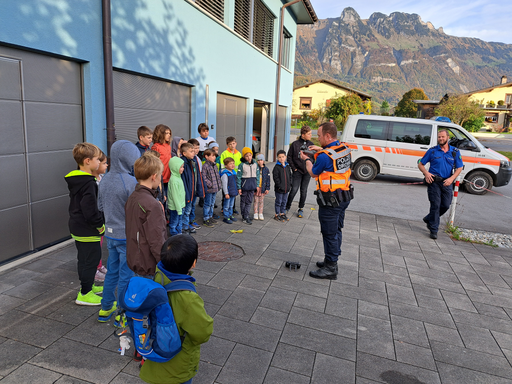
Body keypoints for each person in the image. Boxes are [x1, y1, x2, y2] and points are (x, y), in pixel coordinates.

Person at [139, 235, 213, 384]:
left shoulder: (158, 277)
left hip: (154, 354)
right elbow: (202, 332)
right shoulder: (187, 298)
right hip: (177, 363)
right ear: (193, 263)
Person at [300, 122, 354, 280]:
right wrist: (321, 149)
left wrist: (306, 160)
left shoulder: (324, 157)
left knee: (329, 233)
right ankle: (331, 259)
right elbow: (333, 155)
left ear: (328, 136)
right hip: (344, 196)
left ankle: (331, 268)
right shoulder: (344, 148)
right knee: (336, 230)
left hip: (331, 201)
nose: (317, 138)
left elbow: (313, 173)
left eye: (319, 135)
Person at [97, 140, 139, 322]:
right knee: (126, 275)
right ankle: (122, 314)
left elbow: (100, 206)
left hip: (110, 235)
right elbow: (136, 210)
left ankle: (106, 308)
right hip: (126, 236)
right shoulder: (130, 182)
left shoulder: (104, 179)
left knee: (113, 272)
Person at [65, 143, 105, 305]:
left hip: (77, 226)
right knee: (91, 260)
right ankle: (85, 293)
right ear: (88, 161)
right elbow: (90, 209)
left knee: (83, 259)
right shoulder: (88, 182)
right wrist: (99, 224)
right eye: (97, 159)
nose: (99, 162)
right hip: (88, 229)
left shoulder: (77, 179)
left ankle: (87, 286)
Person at [125, 153, 167, 277]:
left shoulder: (133, 197)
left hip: (136, 258)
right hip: (148, 264)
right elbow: (156, 239)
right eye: (160, 175)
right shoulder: (152, 205)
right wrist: (164, 263)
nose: (161, 178)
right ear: (154, 176)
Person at [418, 129, 463, 239]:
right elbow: (421, 164)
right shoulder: (432, 151)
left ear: (448, 138)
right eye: (439, 137)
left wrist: (452, 179)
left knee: (445, 205)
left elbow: (459, 167)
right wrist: (426, 173)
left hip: (447, 182)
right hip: (433, 182)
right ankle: (433, 229)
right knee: (436, 205)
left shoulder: (455, 152)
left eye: (443, 137)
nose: (441, 139)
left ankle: (429, 218)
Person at [286, 125, 314, 218]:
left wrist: (310, 168)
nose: (311, 135)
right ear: (303, 135)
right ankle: (287, 207)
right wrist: (294, 168)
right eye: (309, 134)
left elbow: (314, 158)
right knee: (294, 190)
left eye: (310, 133)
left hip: (307, 173)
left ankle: (301, 208)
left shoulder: (311, 145)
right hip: (297, 171)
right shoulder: (295, 144)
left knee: (304, 191)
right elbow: (289, 157)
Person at [91, 150, 109, 282]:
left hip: (102, 217)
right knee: (96, 244)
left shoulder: (101, 178)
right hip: (96, 219)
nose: (106, 165)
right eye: (103, 163)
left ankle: (99, 265)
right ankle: (95, 269)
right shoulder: (92, 182)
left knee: (101, 242)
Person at [180, 142, 205, 234]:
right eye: (191, 151)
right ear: (184, 153)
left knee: (189, 209)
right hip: (187, 193)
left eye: (194, 151)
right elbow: (185, 181)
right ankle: (184, 227)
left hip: (192, 191)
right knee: (185, 211)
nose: (193, 153)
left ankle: (186, 226)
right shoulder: (184, 164)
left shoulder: (193, 162)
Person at [237, 147, 259, 225]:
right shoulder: (241, 165)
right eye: (246, 156)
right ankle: (244, 216)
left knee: (249, 201)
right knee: (243, 201)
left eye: (250, 155)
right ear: (243, 156)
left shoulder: (255, 164)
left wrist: (257, 185)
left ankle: (246, 215)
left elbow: (257, 175)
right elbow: (239, 177)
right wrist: (239, 187)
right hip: (244, 187)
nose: (249, 157)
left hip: (252, 186)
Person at [220, 137, 241, 215]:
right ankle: (223, 208)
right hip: (227, 175)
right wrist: (223, 174)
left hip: (235, 176)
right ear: (227, 145)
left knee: (233, 192)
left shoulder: (238, 153)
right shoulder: (224, 153)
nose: (232, 145)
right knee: (225, 192)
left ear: (236, 143)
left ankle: (232, 208)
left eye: (233, 143)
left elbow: (239, 166)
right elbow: (222, 166)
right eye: (230, 144)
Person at [202, 149, 222, 227]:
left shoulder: (214, 165)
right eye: (212, 156)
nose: (214, 157)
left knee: (212, 203)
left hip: (215, 188)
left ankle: (210, 216)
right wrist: (210, 184)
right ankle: (206, 218)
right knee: (207, 203)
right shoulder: (205, 166)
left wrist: (218, 184)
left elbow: (217, 176)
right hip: (209, 188)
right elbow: (204, 177)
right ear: (206, 156)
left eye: (215, 156)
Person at [167, 156, 186, 236]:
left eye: (183, 167)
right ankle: (174, 234)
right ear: (175, 168)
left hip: (180, 206)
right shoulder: (174, 180)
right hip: (176, 207)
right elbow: (175, 196)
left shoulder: (178, 177)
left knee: (179, 221)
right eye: (181, 167)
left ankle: (179, 232)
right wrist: (179, 209)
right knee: (174, 221)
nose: (183, 168)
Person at [272, 150, 293, 222]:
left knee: (284, 201)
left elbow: (290, 176)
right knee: (278, 201)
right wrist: (279, 186)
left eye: (283, 157)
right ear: (277, 158)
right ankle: (277, 214)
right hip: (279, 189)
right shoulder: (277, 167)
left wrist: (290, 184)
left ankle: (282, 213)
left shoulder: (287, 166)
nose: (281, 158)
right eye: (279, 157)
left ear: (285, 157)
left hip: (286, 189)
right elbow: (275, 178)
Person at [151, 124, 172, 193]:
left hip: (168, 176)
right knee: (161, 197)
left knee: (167, 197)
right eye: (166, 133)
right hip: (160, 177)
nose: (169, 135)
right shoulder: (156, 147)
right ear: (160, 134)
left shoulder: (168, 146)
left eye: (169, 133)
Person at [220, 157, 239, 224]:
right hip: (228, 192)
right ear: (226, 165)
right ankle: (226, 216)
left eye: (233, 163)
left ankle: (230, 215)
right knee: (226, 205)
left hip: (233, 192)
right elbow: (224, 185)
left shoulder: (234, 172)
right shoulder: (225, 174)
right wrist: (226, 193)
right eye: (230, 164)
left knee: (231, 205)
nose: (233, 165)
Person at [254, 154, 270, 220]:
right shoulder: (255, 168)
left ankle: (260, 213)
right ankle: (255, 213)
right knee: (255, 201)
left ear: (263, 161)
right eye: (258, 160)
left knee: (261, 201)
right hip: (256, 188)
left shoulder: (266, 169)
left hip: (263, 188)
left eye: (261, 160)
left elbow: (268, 179)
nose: (260, 162)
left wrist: (267, 188)